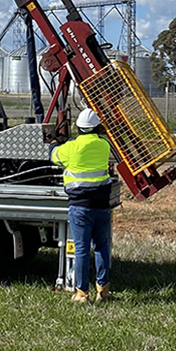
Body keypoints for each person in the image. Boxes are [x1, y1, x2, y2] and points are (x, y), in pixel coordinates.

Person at [49, 108, 112, 303]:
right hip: (102, 205)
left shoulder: (71, 148)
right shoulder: (104, 145)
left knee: (82, 249)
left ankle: (82, 293)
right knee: (102, 246)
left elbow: (53, 156)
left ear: (78, 127)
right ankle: (103, 290)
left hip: (80, 207)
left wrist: (54, 142)